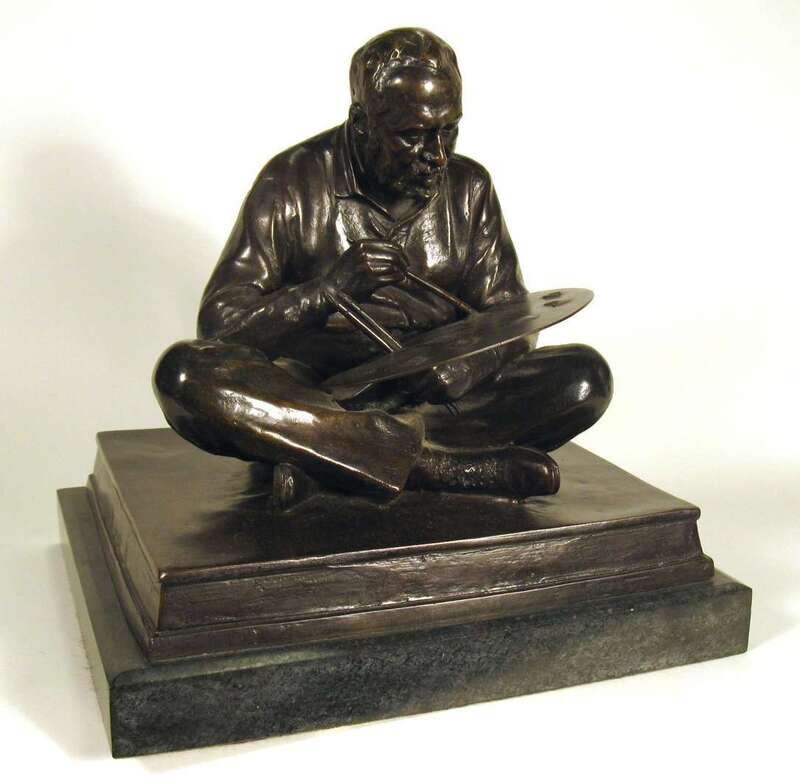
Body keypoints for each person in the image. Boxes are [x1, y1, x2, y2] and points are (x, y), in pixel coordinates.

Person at [153, 28, 612, 504]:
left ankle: (328, 461)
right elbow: (221, 329)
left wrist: (467, 365)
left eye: (448, 130)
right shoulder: (290, 181)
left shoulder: (469, 188)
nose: (437, 156)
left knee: (583, 378)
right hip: (319, 393)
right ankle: (437, 467)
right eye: (413, 136)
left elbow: (515, 317)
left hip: (433, 400)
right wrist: (329, 290)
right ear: (361, 122)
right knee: (185, 375)